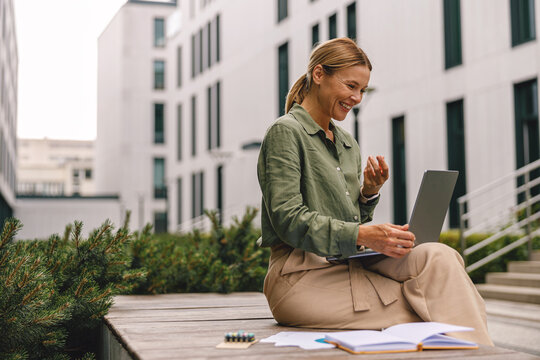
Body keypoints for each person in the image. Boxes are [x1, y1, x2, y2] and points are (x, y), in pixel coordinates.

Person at [256, 37, 493, 345]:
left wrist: (367, 195)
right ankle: (486, 353)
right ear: (319, 75)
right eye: (351, 86)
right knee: (437, 305)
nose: (357, 97)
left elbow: (350, 221)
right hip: (300, 275)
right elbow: (288, 220)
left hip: (345, 263)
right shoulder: (285, 133)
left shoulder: (346, 143)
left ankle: (483, 352)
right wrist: (364, 235)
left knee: (439, 257)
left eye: (362, 90)